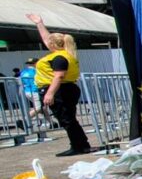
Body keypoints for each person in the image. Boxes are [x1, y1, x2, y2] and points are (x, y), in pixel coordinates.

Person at [25, 13, 93, 156]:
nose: (46, 43)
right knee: (69, 119)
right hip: (65, 89)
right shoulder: (64, 53)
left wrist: (50, 93)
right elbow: (46, 39)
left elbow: (59, 76)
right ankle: (81, 144)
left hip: (60, 90)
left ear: (53, 44)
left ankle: (78, 146)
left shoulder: (59, 57)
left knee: (66, 119)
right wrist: (39, 23)